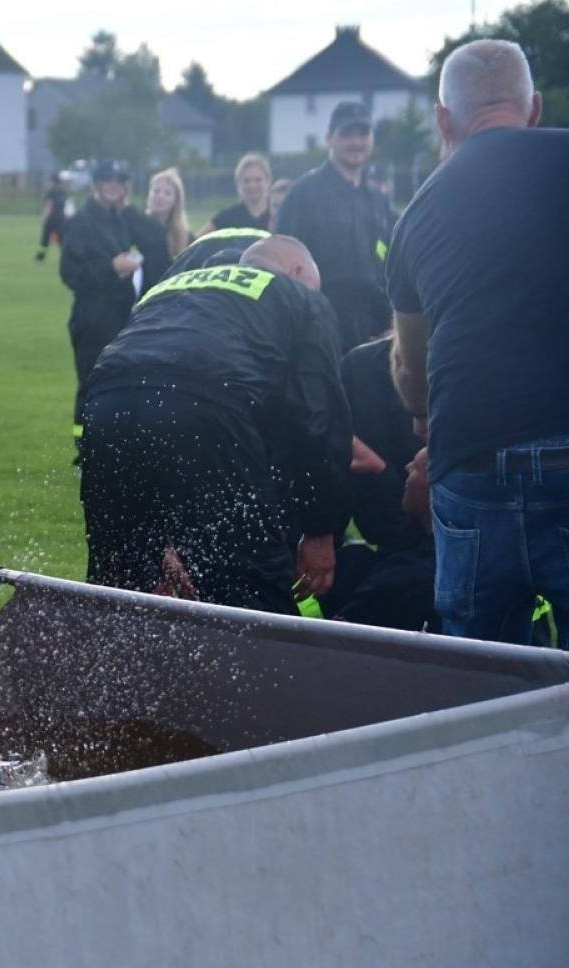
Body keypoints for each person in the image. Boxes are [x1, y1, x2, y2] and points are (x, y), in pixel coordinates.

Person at [388, 39, 569, 646]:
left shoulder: (415, 214)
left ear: (444, 121)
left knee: (484, 672)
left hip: (470, 469)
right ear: (534, 108)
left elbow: (413, 373)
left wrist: (422, 417)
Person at [78, 236, 351, 614]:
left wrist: (160, 541)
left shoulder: (172, 286)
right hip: (206, 404)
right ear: (298, 270)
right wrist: (321, 528)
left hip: (106, 403)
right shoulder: (300, 296)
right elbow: (316, 416)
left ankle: (98, 650)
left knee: (120, 588)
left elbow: (146, 375)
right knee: (249, 591)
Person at [319, 334, 439, 632]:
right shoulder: (359, 367)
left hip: (426, 541)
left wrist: (381, 472)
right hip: (389, 538)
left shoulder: (400, 580)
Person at [274, 102, 395, 351]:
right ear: (329, 138)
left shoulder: (377, 200)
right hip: (320, 329)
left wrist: (393, 321)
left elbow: (390, 264)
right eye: (347, 134)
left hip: (375, 330)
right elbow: (279, 266)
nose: (356, 142)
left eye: (363, 133)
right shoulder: (303, 194)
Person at [59, 159, 167, 428]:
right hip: (93, 316)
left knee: (119, 386)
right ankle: (85, 443)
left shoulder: (118, 219)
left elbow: (155, 237)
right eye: (108, 181)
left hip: (121, 315)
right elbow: (70, 272)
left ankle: (110, 441)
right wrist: (111, 267)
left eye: (119, 182)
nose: (113, 187)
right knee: (92, 383)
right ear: (96, 185)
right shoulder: (83, 222)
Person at [202, 152, 272, 235]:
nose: (252, 186)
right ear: (238, 183)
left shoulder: (279, 215)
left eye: (258, 180)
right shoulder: (228, 217)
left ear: (268, 181)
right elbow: (197, 240)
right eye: (246, 181)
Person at [146, 167, 191, 259]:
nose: (160, 196)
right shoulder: (136, 228)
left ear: (176, 201)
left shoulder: (186, 236)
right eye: (156, 191)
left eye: (167, 193)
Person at [35, 173, 67, 262]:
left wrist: (44, 217)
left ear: (53, 182)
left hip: (51, 218)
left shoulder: (51, 192)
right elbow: (65, 207)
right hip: (61, 218)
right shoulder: (63, 192)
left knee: (45, 238)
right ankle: (64, 256)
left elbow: (49, 205)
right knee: (61, 239)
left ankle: (41, 257)